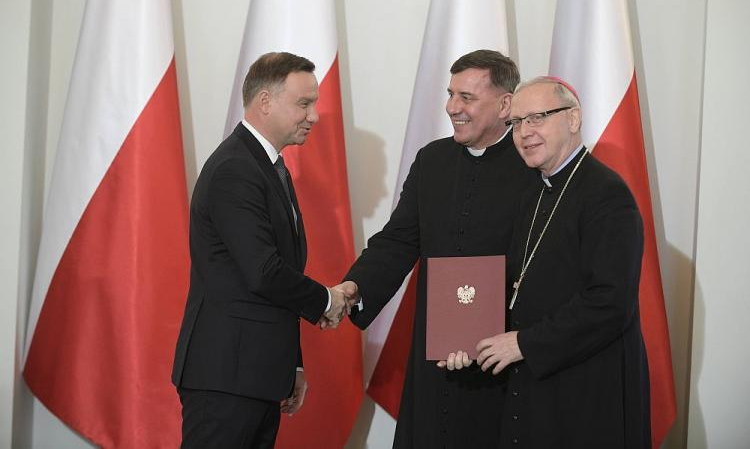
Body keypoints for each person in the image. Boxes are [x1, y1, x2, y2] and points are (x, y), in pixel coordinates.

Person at [339, 50, 537, 448]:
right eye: (450, 94)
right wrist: (355, 288)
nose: (452, 107)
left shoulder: (532, 167)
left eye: (466, 97)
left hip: (504, 359)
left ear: (505, 105)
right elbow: (398, 239)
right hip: (436, 356)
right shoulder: (432, 160)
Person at [446, 76, 651, 447]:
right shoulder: (534, 193)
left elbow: (610, 302)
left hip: (587, 388)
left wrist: (523, 343)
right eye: (517, 123)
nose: (524, 132)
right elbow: (515, 284)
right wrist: (466, 338)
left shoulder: (607, 196)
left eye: (537, 118)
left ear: (573, 119)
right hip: (538, 386)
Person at [171, 52, 349, 448]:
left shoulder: (266, 167)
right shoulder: (236, 169)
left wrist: (294, 364)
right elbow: (263, 272)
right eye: (304, 103)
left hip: (254, 376)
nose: (314, 116)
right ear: (265, 102)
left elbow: (270, 281)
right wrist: (326, 299)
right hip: (225, 379)